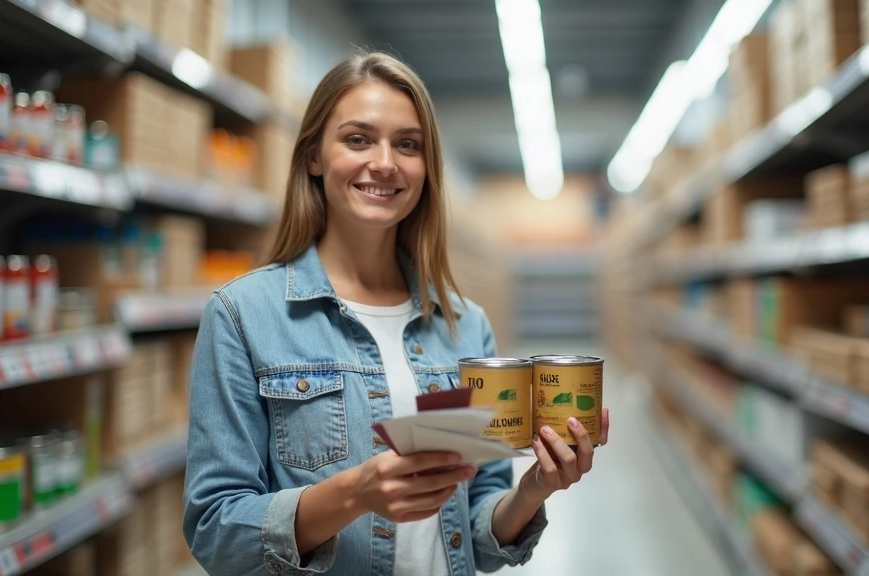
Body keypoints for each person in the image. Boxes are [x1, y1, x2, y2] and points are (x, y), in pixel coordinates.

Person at [182, 51, 610, 576]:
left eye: (407, 144)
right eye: (358, 139)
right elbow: (215, 530)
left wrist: (532, 490)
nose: (385, 162)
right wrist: (354, 493)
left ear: (426, 168)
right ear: (314, 155)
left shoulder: (462, 324)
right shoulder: (243, 316)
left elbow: (478, 530)